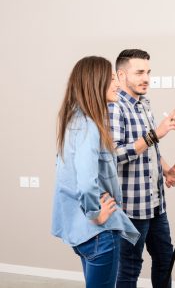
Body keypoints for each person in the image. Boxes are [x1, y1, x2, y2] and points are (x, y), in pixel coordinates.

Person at [52, 56, 140, 288]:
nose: (118, 84)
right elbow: (85, 181)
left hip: (82, 233)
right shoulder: (89, 125)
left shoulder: (73, 121)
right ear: (95, 81)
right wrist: (95, 214)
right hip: (99, 232)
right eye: (112, 78)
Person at [108, 49, 175, 288]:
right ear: (121, 74)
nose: (146, 78)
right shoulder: (115, 107)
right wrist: (154, 134)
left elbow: (149, 150)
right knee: (130, 268)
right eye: (139, 72)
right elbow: (114, 155)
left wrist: (166, 169)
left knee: (165, 260)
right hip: (130, 208)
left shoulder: (144, 103)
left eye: (148, 72)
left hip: (155, 204)